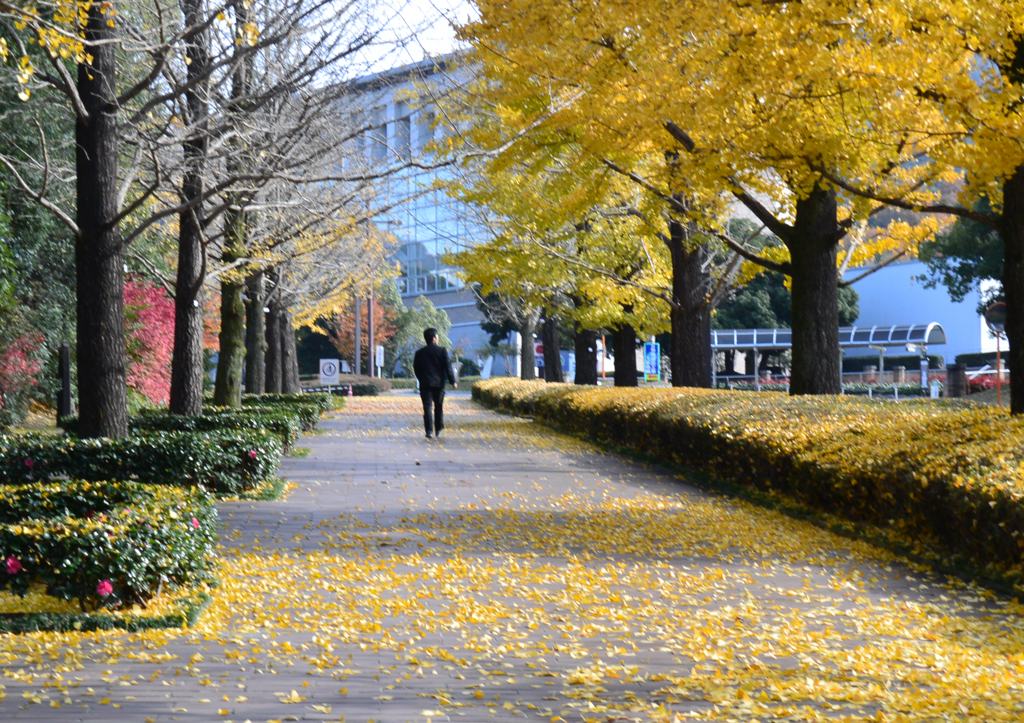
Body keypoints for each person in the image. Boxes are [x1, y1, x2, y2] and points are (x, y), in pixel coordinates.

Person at [413, 328, 457, 438]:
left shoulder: (419, 353)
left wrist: (421, 378)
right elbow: (448, 367)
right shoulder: (442, 351)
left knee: (427, 407)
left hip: (425, 383)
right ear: (434, 338)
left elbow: (416, 368)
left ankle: (428, 430)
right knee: (438, 406)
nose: (438, 339)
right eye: (437, 337)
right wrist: (453, 381)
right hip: (439, 383)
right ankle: (438, 429)